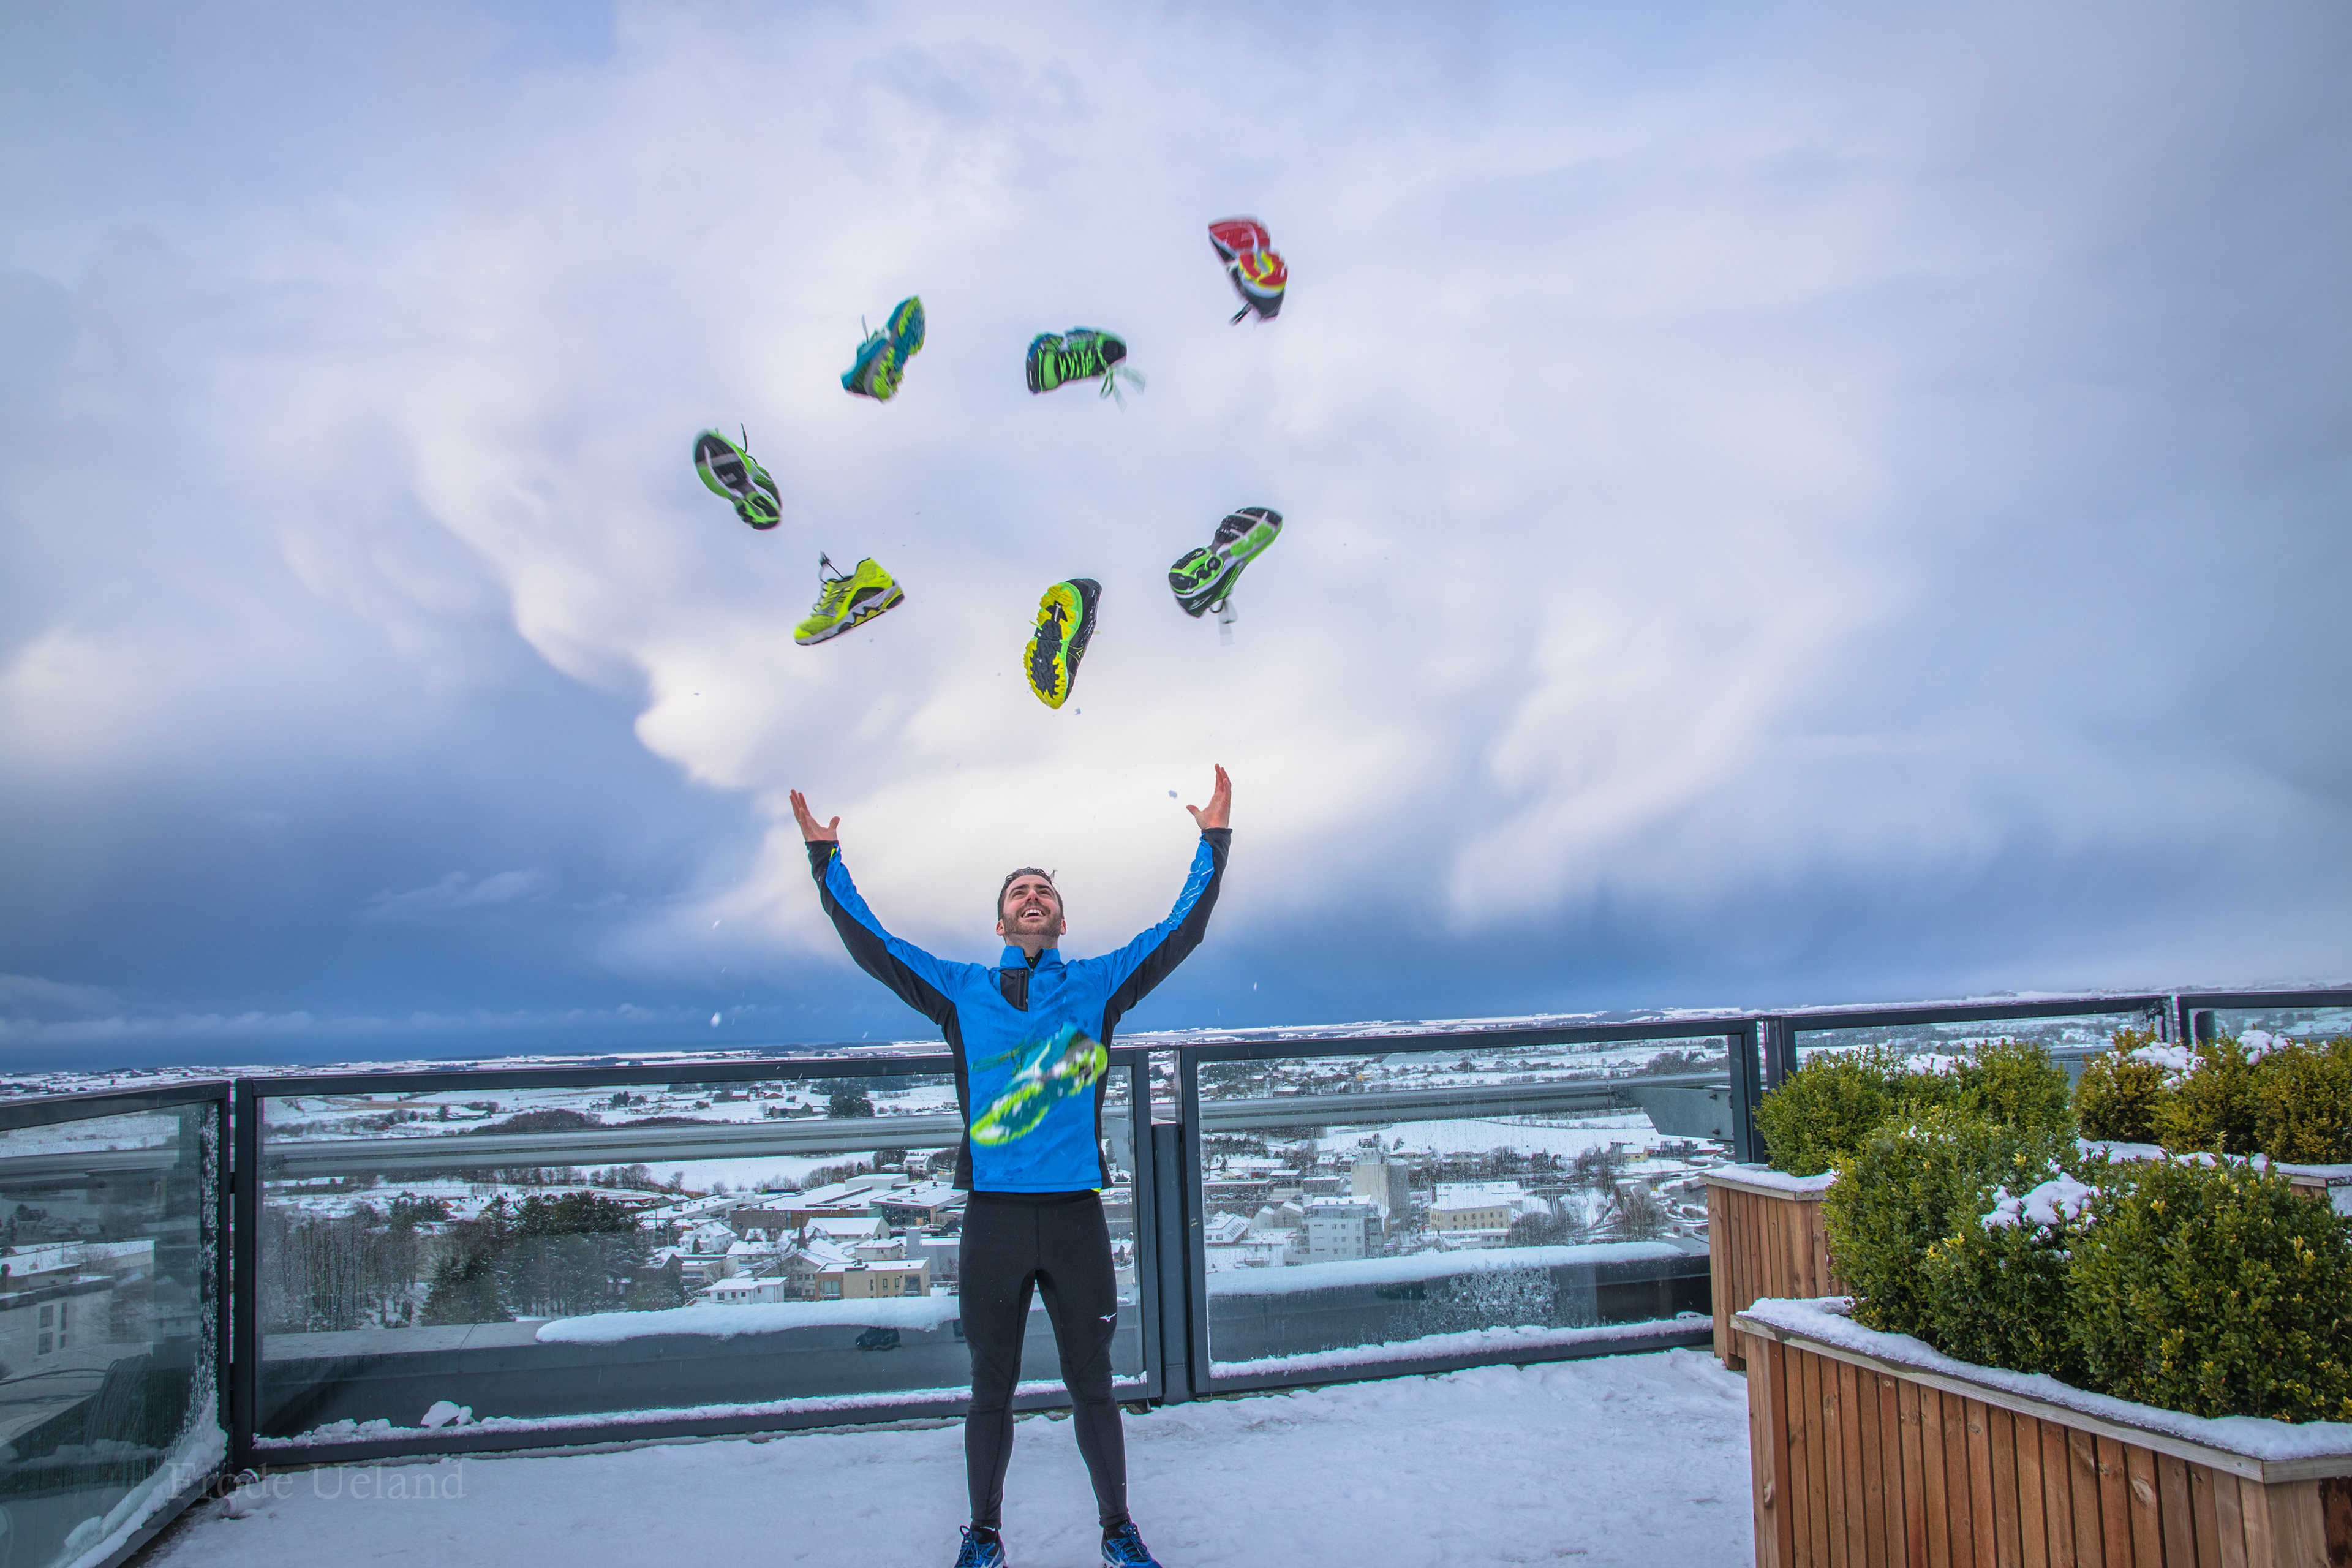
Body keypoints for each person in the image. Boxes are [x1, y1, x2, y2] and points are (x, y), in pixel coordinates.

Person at [789, 766, 1234, 1568]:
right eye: (1020, 892)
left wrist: (1214, 843)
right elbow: (876, 946)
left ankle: (1118, 1533)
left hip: (1075, 1219)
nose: (1034, 898)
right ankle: (984, 1538)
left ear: (1061, 918)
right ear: (1001, 921)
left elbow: (1180, 932)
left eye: (1045, 892)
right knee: (989, 1388)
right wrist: (827, 863)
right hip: (993, 1218)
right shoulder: (961, 992)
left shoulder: (1097, 985)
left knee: (1093, 1385)